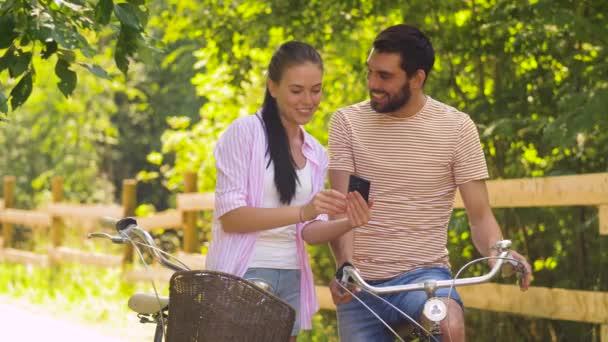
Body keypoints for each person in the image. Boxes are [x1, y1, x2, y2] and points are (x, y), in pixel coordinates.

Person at [327, 24, 533, 341]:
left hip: (424, 277)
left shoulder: (457, 127)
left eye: (384, 76)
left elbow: (480, 216)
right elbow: (341, 211)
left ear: (417, 78)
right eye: (369, 72)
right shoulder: (347, 122)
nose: (372, 84)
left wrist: (498, 253)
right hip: (362, 284)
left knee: (448, 327)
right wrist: (345, 266)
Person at [205, 41, 372, 340]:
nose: (308, 100)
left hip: (291, 274)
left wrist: (350, 222)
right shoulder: (244, 133)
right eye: (297, 90)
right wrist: (302, 211)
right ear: (273, 87)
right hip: (245, 272)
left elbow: (310, 232)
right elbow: (231, 217)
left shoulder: (316, 152)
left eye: (316, 89)